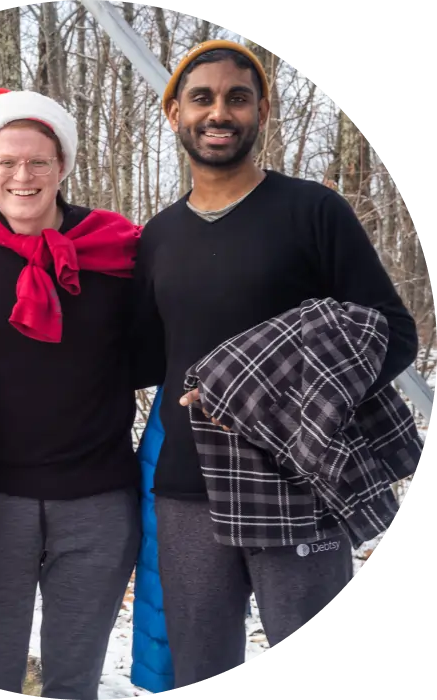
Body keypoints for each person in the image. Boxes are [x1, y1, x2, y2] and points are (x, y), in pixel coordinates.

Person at [131, 39, 419, 690]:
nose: (219, 112)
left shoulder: (314, 212)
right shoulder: (158, 236)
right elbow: (143, 358)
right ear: (173, 112)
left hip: (299, 481)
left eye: (238, 98)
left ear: (262, 112)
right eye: (201, 98)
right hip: (187, 491)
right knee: (200, 669)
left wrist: (257, 387)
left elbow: (392, 333)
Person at [0, 88, 144, 697]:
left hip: (98, 498)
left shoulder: (117, 248)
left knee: (74, 677)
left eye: (38, 161)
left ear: (62, 167)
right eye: (6, 161)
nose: (22, 176)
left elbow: (160, 343)